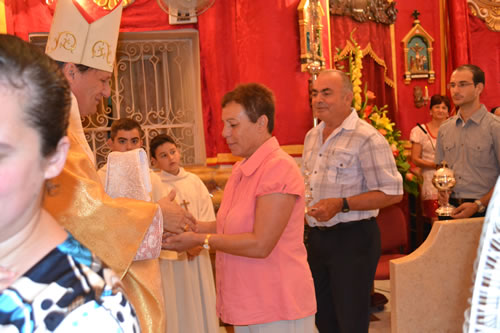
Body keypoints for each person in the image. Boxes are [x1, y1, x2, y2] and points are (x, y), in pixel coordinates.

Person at [42, 2, 195, 332]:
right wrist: (156, 216)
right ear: (71, 71)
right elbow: (80, 216)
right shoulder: (54, 129)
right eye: (102, 80)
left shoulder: (63, 122)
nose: (107, 92)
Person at [0, 34, 140, 332]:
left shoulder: (87, 313)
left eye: (1, 153)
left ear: (53, 158)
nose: (105, 92)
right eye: (101, 80)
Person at [164, 83, 316, 333]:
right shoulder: (242, 169)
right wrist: (188, 225)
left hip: (277, 302)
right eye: (225, 124)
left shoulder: (278, 168)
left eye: (233, 124)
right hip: (248, 300)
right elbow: (231, 226)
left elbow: (261, 243)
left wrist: (201, 240)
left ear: (261, 122)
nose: (224, 133)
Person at [303, 69, 403, 333]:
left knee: (350, 321)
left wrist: (342, 203)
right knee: (323, 318)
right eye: (315, 93)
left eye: (326, 93)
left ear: (348, 98)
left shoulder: (367, 137)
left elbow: (393, 192)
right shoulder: (312, 136)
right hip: (316, 239)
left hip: (352, 240)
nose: (318, 99)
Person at [150, 134, 219, 333]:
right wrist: (181, 243)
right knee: (178, 305)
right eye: (163, 155)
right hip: (173, 258)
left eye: (173, 152)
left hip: (198, 253)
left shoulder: (194, 181)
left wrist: (196, 243)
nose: (171, 158)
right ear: (154, 161)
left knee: (201, 299)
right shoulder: (156, 185)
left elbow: (207, 214)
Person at [435, 64, 500, 219]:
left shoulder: (495, 127)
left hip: (487, 210)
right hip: (452, 208)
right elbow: (440, 168)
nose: (455, 90)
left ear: (479, 88)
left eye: (463, 85)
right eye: (452, 85)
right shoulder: (445, 129)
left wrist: (479, 204)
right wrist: (442, 191)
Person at [97, 118, 165, 201]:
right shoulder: (99, 179)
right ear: (111, 144)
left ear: (141, 144)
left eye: (134, 141)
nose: (129, 147)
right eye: (122, 141)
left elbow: (162, 211)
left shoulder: (152, 179)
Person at [410, 95, 450, 220]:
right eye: (437, 107)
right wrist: (434, 165)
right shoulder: (420, 131)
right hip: (430, 175)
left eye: (444, 108)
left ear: (448, 113)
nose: (440, 110)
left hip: (450, 176)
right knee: (435, 217)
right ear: (430, 111)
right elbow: (415, 158)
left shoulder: (454, 131)